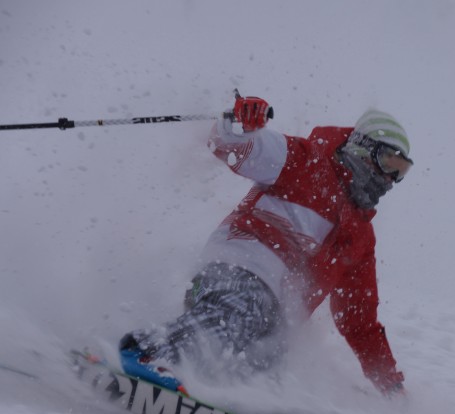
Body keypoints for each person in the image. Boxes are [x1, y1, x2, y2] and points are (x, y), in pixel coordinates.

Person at [118, 95, 414, 397]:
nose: (390, 179)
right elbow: (235, 147)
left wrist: (390, 385)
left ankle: (223, 396)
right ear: (363, 147)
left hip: (274, 314)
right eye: (388, 162)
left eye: (401, 172)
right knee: (248, 311)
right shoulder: (306, 159)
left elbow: (359, 321)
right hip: (236, 271)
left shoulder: (360, 237)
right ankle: (149, 351)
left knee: (270, 361)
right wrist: (240, 124)